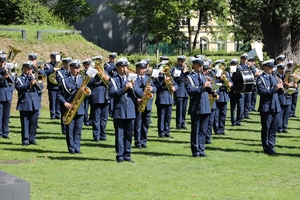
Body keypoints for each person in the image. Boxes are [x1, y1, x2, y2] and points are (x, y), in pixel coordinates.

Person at [108, 57, 143, 163]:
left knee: (128, 134)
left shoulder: (132, 78)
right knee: (119, 134)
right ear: (117, 67)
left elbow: (140, 94)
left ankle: (127, 155)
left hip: (131, 110)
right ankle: (120, 155)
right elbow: (111, 93)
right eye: (122, 66)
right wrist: (124, 89)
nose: (125, 68)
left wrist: (133, 86)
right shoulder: (113, 80)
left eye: (126, 66)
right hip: (119, 110)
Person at [57, 60, 85, 154]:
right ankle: (71, 148)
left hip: (80, 108)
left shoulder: (82, 80)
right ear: (71, 68)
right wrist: (65, 103)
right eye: (75, 68)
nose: (77, 70)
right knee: (70, 129)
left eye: (78, 68)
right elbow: (59, 95)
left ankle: (77, 147)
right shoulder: (64, 80)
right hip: (69, 108)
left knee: (78, 129)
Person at [185, 57, 211, 157]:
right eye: (199, 65)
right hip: (196, 107)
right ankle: (195, 150)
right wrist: (203, 87)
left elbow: (207, 90)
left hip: (205, 106)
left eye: (202, 66)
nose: (201, 67)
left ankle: (201, 148)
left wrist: (212, 89)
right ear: (194, 65)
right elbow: (191, 91)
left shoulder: (204, 76)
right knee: (195, 130)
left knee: (203, 130)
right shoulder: (189, 77)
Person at [256, 59, 282, 155]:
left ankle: (271, 146)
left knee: (274, 128)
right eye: (270, 67)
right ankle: (266, 147)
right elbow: (262, 92)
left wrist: (281, 88)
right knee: (266, 127)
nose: (272, 69)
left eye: (272, 67)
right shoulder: (261, 79)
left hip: (275, 105)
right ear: (265, 67)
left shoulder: (274, 76)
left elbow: (277, 92)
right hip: (266, 106)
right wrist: (274, 88)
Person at [15, 61, 42, 146]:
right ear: (24, 69)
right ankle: (25, 140)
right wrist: (29, 85)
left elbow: (41, 88)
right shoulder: (19, 78)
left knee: (34, 122)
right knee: (25, 123)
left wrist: (35, 80)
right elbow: (19, 88)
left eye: (31, 69)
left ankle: (32, 139)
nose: (30, 71)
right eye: (28, 69)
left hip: (35, 103)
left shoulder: (35, 77)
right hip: (25, 103)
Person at [134, 60, 157, 148]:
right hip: (139, 102)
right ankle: (138, 141)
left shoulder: (148, 78)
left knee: (146, 124)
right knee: (138, 124)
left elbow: (155, 88)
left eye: (145, 68)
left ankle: (144, 141)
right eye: (142, 68)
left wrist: (152, 89)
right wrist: (142, 95)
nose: (144, 70)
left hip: (148, 104)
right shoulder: (134, 78)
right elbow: (135, 89)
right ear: (137, 69)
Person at [153, 62, 178, 138]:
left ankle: (167, 131)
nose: (165, 70)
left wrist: (174, 88)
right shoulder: (158, 77)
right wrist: (163, 81)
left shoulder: (169, 76)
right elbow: (156, 86)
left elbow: (176, 84)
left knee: (168, 117)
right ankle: (161, 132)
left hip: (169, 99)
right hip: (161, 99)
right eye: (163, 68)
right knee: (161, 117)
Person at [89, 56, 110, 142]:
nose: (98, 64)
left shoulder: (104, 71)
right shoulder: (91, 71)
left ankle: (102, 134)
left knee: (104, 118)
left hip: (106, 97)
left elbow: (110, 82)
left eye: (99, 62)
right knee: (96, 118)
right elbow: (88, 82)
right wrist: (96, 77)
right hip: (96, 97)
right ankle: (96, 136)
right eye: (97, 62)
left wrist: (108, 78)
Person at [214, 60, 233, 135]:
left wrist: (230, 83)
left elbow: (231, 81)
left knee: (223, 114)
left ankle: (222, 129)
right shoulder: (214, 74)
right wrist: (219, 79)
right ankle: (216, 129)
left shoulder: (226, 74)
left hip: (225, 95)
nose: (222, 68)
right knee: (216, 114)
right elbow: (214, 84)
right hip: (218, 95)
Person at [171, 56, 189, 130]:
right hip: (179, 91)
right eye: (181, 61)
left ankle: (183, 122)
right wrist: (183, 73)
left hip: (185, 92)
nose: (183, 62)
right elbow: (177, 80)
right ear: (178, 61)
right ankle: (178, 123)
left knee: (184, 109)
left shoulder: (186, 69)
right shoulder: (175, 69)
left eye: (183, 61)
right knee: (179, 109)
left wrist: (187, 72)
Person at [28, 52, 45, 129]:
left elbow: (43, 76)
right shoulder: (27, 67)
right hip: (31, 89)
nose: (33, 61)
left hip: (38, 89)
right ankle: (30, 122)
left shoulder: (38, 67)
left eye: (34, 59)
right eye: (32, 59)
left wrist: (38, 69)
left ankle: (36, 122)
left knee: (38, 107)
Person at [56, 56, 72, 135]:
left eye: (69, 63)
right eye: (66, 63)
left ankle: (70, 127)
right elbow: (60, 80)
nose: (68, 65)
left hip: (72, 94)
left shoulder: (72, 71)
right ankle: (64, 129)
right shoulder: (59, 72)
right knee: (64, 113)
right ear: (63, 63)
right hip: (64, 93)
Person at [44, 52, 61, 120]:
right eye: (54, 57)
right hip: (52, 86)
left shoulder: (60, 65)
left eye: (56, 57)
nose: (55, 59)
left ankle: (58, 114)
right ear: (51, 58)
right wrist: (53, 69)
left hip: (59, 85)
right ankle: (53, 114)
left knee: (59, 101)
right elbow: (45, 72)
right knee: (52, 101)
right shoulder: (47, 65)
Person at [275, 63, 291, 133]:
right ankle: (279, 127)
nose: (283, 70)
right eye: (281, 69)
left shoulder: (287, 75)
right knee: (280, 113)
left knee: (286, 113)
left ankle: (284, 126)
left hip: (287, 96)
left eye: (283, 69)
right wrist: (283, 84)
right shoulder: (275, 76)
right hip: (280, 96)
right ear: (278, 69)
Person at [0, 54, 12, 139]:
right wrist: (3, 78)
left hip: (7, 95)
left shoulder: (8, 70)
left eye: (4, 61)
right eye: (1, 61)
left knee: (6, 115)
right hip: (0, 95)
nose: (3, 63)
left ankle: (5, 132)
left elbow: (12, 82)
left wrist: (8, 73)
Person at [229, 58, 244, 126]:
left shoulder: (240, 70)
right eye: (232, 64)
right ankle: (233, 121)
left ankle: (238, 120)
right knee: (233, 108)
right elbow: (229, 79)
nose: (234, 65)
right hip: (233, 91)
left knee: (240, 107)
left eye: (235, 64)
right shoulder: (229, 71)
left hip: (240, 91)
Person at [104, 52, 117, 117]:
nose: (113, 59)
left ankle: (114, 110)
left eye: (114, 58)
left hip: (116, 81)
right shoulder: (107, 64)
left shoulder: (117, 65)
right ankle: (111, 111)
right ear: (109, 58)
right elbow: (108, 70)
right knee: (111, 97)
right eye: (112, 58)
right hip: (110, 81)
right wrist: (115, 66)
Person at [82, 58, 92, 126]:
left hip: (92, 91)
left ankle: (91, 120)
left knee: (92, 107)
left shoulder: (92, 72)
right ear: (84, 65)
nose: (88, 66)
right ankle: (85, 120)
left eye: (88, 64)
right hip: (86, 91)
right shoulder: (82, 72)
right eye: (86, 64)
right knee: (85, 106)